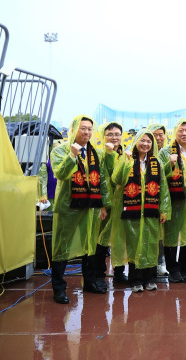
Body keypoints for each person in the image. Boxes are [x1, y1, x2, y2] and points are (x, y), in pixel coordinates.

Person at [50, 115, 110, 304]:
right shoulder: (60, 150)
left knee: (89, 244)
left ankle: (90, 282)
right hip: (69, 206)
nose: (87, 132)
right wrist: (72, 156)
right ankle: (59, 288)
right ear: (74, 129)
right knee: (62, 246)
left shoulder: (96, 153)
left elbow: (102, 179)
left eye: (90, 129)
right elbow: (60, 172)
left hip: (91, 207)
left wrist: (103, 205)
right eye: (83, 128)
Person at [110, 130, 171, 292]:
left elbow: (163, 187)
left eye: (149, 142)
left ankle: (150, 279)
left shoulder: (156, 162)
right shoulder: (127, 159)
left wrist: (164, 209)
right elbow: (117, 180)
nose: (145, 144)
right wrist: (126, 162)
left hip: (151, 211)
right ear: (136, 142)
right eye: (142, 140)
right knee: (134, 244)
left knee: (151, 245)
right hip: (132, 210)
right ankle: (136, 280)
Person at [158, 119, 186, 283]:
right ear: (175, 132)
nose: (184, 133)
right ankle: (173, 268)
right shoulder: (166, 151)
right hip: (173, 198)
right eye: (181, 130)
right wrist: (169, 164)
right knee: (171, 233)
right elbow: (160, 175)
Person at [94, 122, 128, 288]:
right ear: (103, 136)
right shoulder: (99, 155)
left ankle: (119, 272)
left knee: (120, 240)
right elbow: (101, 180)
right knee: (101, 241)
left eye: (117, 134)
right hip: (105, 206)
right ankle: (99, 274)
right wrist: (101, 204)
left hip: (123, 204)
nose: (114, 137)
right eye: (110, 134)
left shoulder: (126, 155)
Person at [148, 123, 169, 277]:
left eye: (160, 134)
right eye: (154, 135)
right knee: (151, 234)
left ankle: (161, 263)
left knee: (164, 236)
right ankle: (149, 264)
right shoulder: (144, 153)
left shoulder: (169, 152)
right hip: (149, 199)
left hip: (167, 198)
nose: (158, 138)